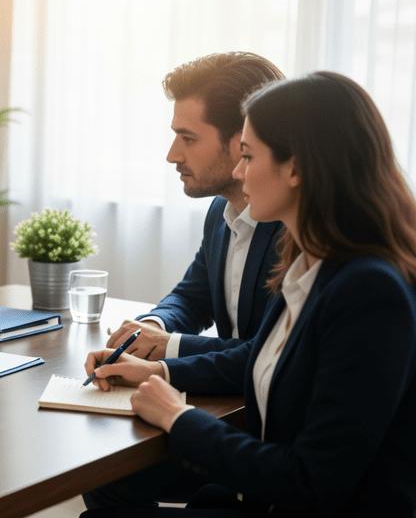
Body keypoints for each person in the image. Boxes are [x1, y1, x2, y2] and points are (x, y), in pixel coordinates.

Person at [83, 71, 416, 516]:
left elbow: (311, 480)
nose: (240, 173)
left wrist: (179, 419)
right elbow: (257, 356)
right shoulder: (307, 265)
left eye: (248, 155)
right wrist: (155, 372)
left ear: (295, 168)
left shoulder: (369, 291)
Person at [107, 53, 284, 361]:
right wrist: (151, 327)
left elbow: (269, 353)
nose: (172, 155)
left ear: (243, 139)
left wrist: (168, 349)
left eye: (187, 138)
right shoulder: (221, 211)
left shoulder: (294, 227)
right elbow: (192, 297)